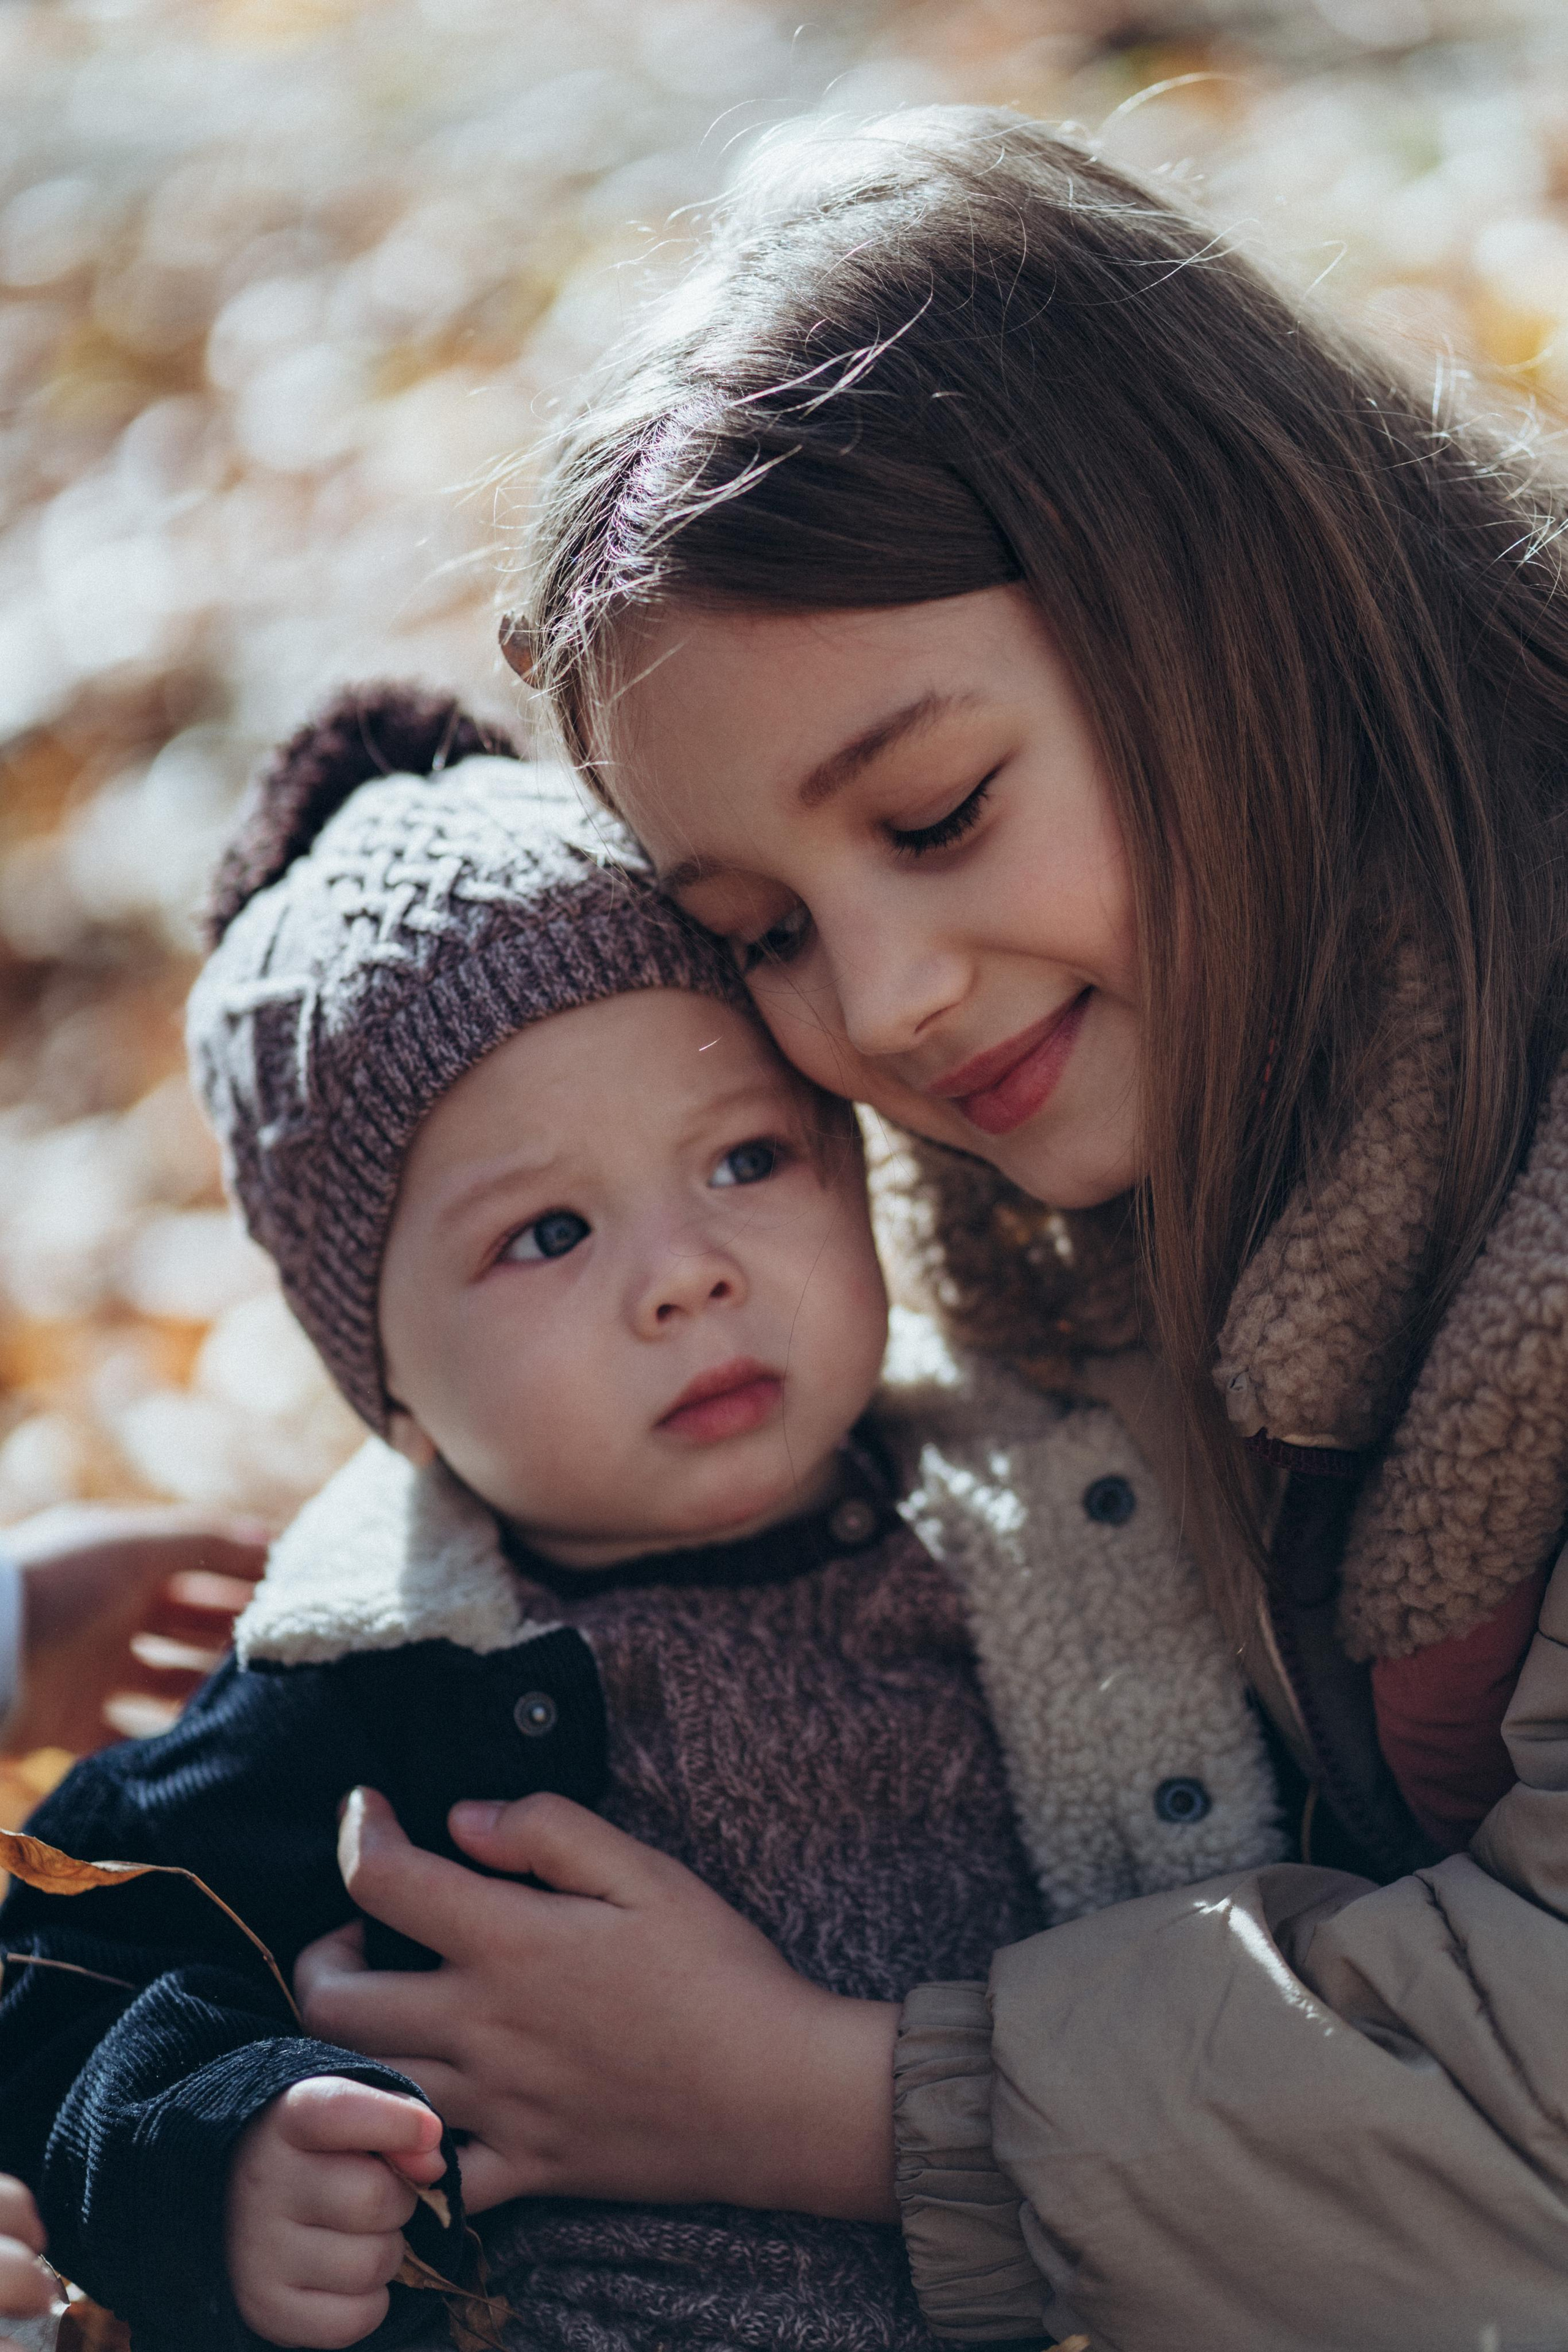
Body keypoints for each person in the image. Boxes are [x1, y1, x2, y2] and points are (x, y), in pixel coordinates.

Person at [284, 107, 1568, 2352]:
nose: (877, 1006)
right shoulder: (1085, 1241)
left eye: (940, 810)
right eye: (763, 932)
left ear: (1228, 595)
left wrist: (819, 2100)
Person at [0, 696, 1281, 2351]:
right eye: (546, 1233)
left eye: (748, 1158)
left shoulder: (1055, 1512)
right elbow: (68, 1970)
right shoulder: (376, 1683)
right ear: (382, 1379)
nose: (687, 1274)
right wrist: (221, 2152)